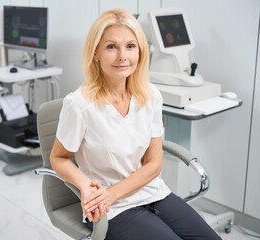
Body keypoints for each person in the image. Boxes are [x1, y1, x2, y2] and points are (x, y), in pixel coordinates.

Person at [50, 8, 221, 240]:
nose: (123, 56)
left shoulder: (150, 96)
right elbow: (58, 158)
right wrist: (89, 189)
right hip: (111, 210)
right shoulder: (79, 104)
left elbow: (153, 163)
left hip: (153, 193)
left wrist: (112, 193)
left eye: (130, 46)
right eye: (111, 47)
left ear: (140, 51)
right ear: (96, 53)